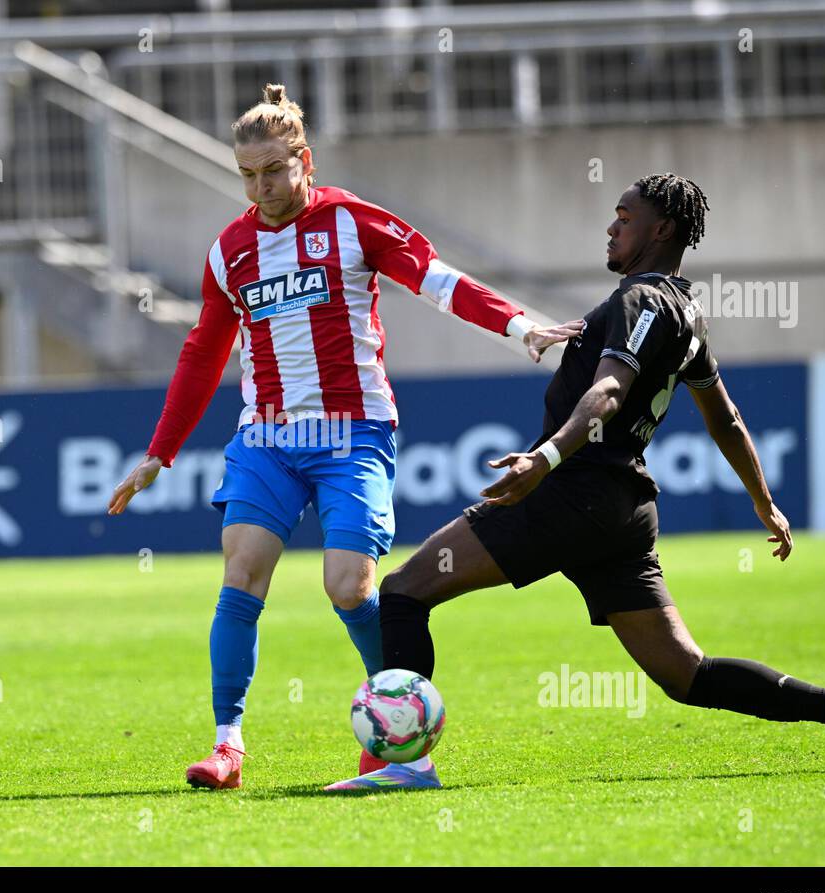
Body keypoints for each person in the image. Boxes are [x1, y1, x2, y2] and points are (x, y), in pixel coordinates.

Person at [325, 172, 825, 791]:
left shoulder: (639, 300)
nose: (612, 227)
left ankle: (407, 765)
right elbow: (724, 416)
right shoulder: (687, 315)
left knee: (403, 592)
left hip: (572, 491)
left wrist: (548, 458)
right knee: (685, 674)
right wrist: (764, 501)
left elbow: (610, 391)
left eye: (624, 216)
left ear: (661, 228)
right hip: (618, 511)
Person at [107, 83, 583, 790]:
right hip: (266, 437)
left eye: (273, 170)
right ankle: (227, 747)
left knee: (348, 587)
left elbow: (434, 277)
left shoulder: (352, 222)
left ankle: (398, 737)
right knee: (240, 573)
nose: (260, 188)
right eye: (247, 175)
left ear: (305, 159)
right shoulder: (230, 251)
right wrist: (160, 451)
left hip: (353, 432)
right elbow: (203, 353)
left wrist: (519, 326)